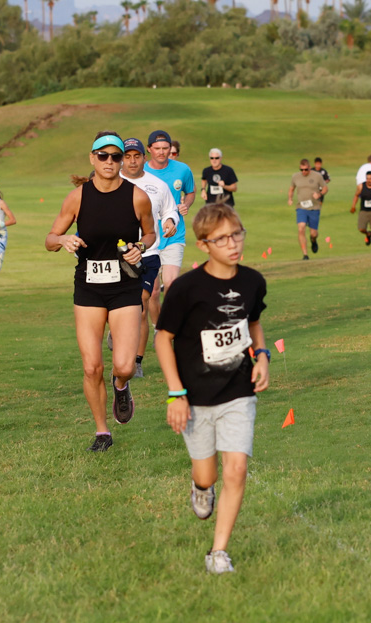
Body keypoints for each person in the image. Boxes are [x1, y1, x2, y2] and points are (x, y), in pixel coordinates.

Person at [154, 203, 270, 575]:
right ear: (204, 245)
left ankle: (218, 552)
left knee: (236, 469)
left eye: (237, 234)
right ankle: (201, 487)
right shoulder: (186, 288)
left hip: (238, 390)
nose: (233, 244)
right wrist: (175, 392)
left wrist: (263, 356)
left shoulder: (252, 281)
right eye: (222, 239)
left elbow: (253, 323)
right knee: (208, 475)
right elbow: (162, 338)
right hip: (195, 397)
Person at [45, 131, 156, 452]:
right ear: (92, 158)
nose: (110, 162)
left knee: (124, 366)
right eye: (103, 156)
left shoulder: (137, 197)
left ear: (123, 161)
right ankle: (102, 431)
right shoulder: (78, 197)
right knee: (91, 366)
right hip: (89, 289)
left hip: (125, 285)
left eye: (116, 157)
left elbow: (150, 234)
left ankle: (121, 386)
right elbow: (50, 238)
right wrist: (63, 240)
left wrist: (140, 246)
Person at [120, 137, 179, 378]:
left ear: (145, 157)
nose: (132, 161)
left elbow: (170, 209)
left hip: (149, 252)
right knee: (121, 306)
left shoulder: (157, 184)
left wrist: (169, 221)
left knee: (141, 306)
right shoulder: (112, 183)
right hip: (118, 253)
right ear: (121, 158)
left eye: (137, 156)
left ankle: (137, 361)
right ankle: (117, 332)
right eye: (127, 156)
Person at [144, 130, 195, 325]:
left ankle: (168, 329)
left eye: (165, 148)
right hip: (149, 238)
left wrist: (186, 204)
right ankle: (159, 328)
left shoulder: (182, 169)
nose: (162, 152)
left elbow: (190, 192)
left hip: (174, 234)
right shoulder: (141, 171)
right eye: (157, 148)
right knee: (154, 291)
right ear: (149, 149)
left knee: (172, 285)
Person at [288, 158, 326, 260]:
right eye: (301, 170)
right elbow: (291, 189)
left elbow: (325, 188)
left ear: (309, 167)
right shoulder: (295, 177)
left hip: (314, 207)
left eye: (306, 169)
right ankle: (305, 254)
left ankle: (313, 241)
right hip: (301, 207)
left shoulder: (317, 176)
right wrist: (290, 198)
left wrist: (319, 194)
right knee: (301, 228)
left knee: (313, 233)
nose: (304, 172)